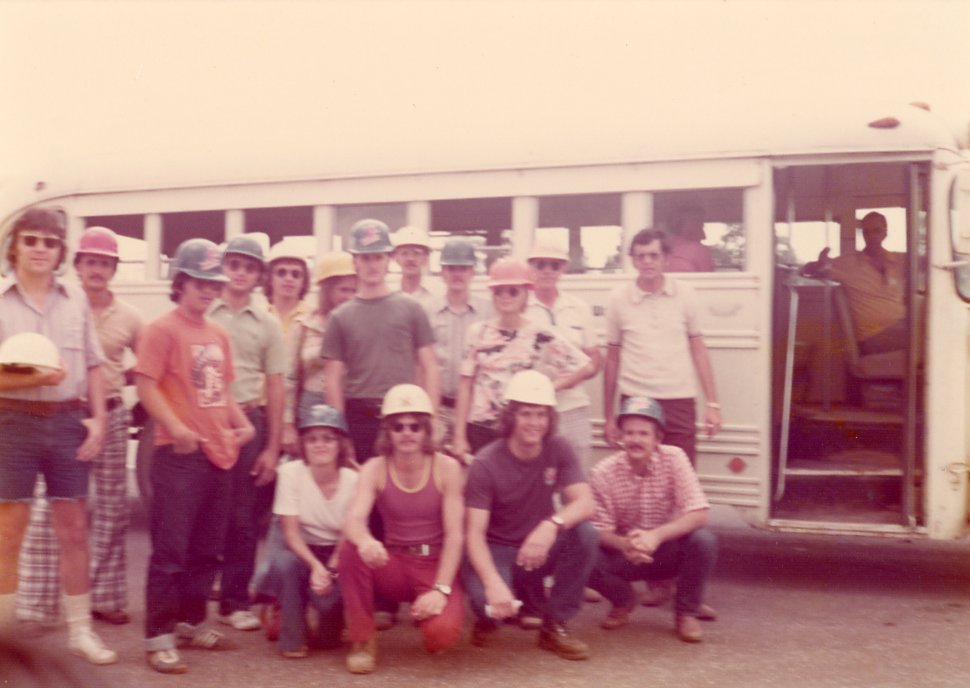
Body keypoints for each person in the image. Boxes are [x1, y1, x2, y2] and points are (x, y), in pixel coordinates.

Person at [0, 207, 116, 665]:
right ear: (15, 247)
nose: (40, 250)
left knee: (73, 528)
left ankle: (81, 632)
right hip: (13, 422)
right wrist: (29, 380)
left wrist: (100, 420)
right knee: (9, 531)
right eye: (31, 241)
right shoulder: (0, 302)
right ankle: (4, 636)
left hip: (68, 422)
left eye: (49, 242)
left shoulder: (76, 300)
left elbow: (92, 364)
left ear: (60, 250)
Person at [135, 238, 256, 674]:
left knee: (209, 548)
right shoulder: (162, 330)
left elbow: (220, 390)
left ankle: (189, 622)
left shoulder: (218, 332)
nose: (208, 290)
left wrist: (241, 423)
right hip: (179, 455)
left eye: (214, 282)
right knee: (172, 548)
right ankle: (158, 636)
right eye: (200, 281)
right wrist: (177, 428)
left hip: (219, 453)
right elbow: (146, 386)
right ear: (181, 281)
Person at [17, 227, 142, 632]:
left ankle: (104, 597)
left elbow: (147, 364)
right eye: (90, 262)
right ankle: (38, 602)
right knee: (48, 510)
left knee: (111, 509)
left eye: (105, 263)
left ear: (114, 269)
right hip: (63, 415)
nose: (97, 270)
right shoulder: (60, 305)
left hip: (110, 413)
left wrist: (128, 390)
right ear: (78, 264)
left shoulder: (130, 316)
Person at [463, 370, 599, 660]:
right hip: (497, 549)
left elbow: (586, 503)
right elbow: (473, 535)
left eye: (541, 414)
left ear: (550, 417)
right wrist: (493, 583)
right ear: (511, 416)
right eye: (526, 414)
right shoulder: (486, 463)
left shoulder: (558, 447)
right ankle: (489, 617)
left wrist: (551, 525)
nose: (535, 423)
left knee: (585, 534)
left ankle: (555, 626)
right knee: (491, 602)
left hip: (537, 547)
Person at [338, 384, 465, 674]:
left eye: (415, 426)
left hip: (433, 564)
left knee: (440, 639)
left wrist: (440, 590)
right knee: (351, 548)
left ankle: (428, 611)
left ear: (426, 431)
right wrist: (367, 541)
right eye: (398, 426)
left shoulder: (447, 468)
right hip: (393, 562)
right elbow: (353, 520)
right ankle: (362, 639)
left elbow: (456, 535)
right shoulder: (374, 467)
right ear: (387, 432)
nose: (407, 433)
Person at [587, 396, 717, 643]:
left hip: (665, 546)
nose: (635, 440)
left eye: (644, 433)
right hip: (627, 551)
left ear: (658, 438)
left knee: (703, 540)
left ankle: (686, 612)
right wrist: (627, 545)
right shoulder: (602, 472)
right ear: (620, 436)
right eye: (629, 433)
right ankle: (623, 600)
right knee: (581, 546)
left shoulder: (675, 458)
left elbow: (700, 513)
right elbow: (600, 530)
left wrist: (655, 536)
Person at [207, 235, 287, 632]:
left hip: (248, 423)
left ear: (259, 275)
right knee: (201, 513)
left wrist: (272, 447)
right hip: (205, 421)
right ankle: (193, 596)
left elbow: (275, 385)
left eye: (249, 267)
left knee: (241, 518)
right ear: (223, 266)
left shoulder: (268, 323)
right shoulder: (204, 312)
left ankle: (235, 601)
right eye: (234, 264)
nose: (240, 273)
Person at [322, 218, 439, 464]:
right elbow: (332, 380)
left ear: (388, 259)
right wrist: (341, 432)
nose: (372, 264)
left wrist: (432, 418)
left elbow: (430, 367)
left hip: (404, 415)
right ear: (354, 261)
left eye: (377, 257)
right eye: (365, 258)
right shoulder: (340, 317)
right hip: (359, 417)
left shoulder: (411, 308)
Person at [603, 228, 722, 465]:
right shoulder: (618, 298)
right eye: (641, 256)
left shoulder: (685, 294)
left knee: (682, 474)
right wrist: (608, 417)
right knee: (638, 474)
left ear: (666, 259)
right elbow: (612, 358)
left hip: (679, 399)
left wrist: (713, 404)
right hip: (635, 399)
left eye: (653, 255)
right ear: (633, 261)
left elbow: (698, 348)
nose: (647, 261)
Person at [453, 257, 592, 457]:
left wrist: (545, 390)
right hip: (479, 429)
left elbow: (583, 367)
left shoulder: (539, 334)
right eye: (499, 291)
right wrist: (459, 437)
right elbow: (465, 385)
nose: (505, 296)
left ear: (526, 294)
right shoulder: (477, 332)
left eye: (513, 291)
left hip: (518, 432)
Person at [257, 404, 357, 658]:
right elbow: (290, 533)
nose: (319, 445)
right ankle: (293, 638)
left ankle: (333, 624)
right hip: (303, 552)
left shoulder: (353, 479)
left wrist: (331, 568)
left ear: (340, 444)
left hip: (337, 553)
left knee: (328, 628)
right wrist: (315, 567)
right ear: (303, 444)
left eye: (328, 439)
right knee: (283, 563)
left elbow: (349, 533)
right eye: (312, 439)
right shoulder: (290, 473)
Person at [525, 243, 602, 472]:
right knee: (536, 479)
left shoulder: (579, 308)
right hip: (533, 412)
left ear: (563, 270)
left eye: (554, 265)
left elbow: (595, 360)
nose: (548, 270)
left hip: (574, 408)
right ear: (531, 268)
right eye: (541, 264)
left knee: (577, 476)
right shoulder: (520, 308)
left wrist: (582, 372)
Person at [281, 251, 357, 457]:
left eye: (353, 290)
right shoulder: (304, 326)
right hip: (310, 406)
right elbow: (289, 379)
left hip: (351, 405)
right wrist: (287, 425)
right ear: (326, 289)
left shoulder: (361, 325)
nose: (348, 296)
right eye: (343, 289)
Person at [801, 211, 905, 355]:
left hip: (900, 326)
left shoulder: (899, 260)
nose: (872, 236)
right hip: (873, 337)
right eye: (866, 232)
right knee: (929, 333)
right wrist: (819, 265)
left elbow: (928, 264)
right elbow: (808, 269)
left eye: (877, 230)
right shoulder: (849, 263)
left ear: (885, 233)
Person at [422, 238, 490, 452]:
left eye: (463, 268)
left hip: (475, 410)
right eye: (451, 268)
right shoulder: (427, 311)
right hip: (438, 407)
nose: (457, 274)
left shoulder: (488, 312)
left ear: (473, 272)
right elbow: (422, 365)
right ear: (442, 272)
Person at [264, 240, 312, 338]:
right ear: (270, 278)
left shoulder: (313, 317)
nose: (289, 279)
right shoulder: (259, 315)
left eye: (296, 274)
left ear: (304, 281)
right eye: (281, 272)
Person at [392, 225, 439, 306]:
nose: (410, 258)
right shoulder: (387, 294)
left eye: (417, 253)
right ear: (396, 258)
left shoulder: (437, 295)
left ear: (426, 258)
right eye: (405, 253)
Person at [664, 204, 715, 273]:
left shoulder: (662, 248)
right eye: (700, 225)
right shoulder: (699, 250)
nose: (704, 236)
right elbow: (710, 281)